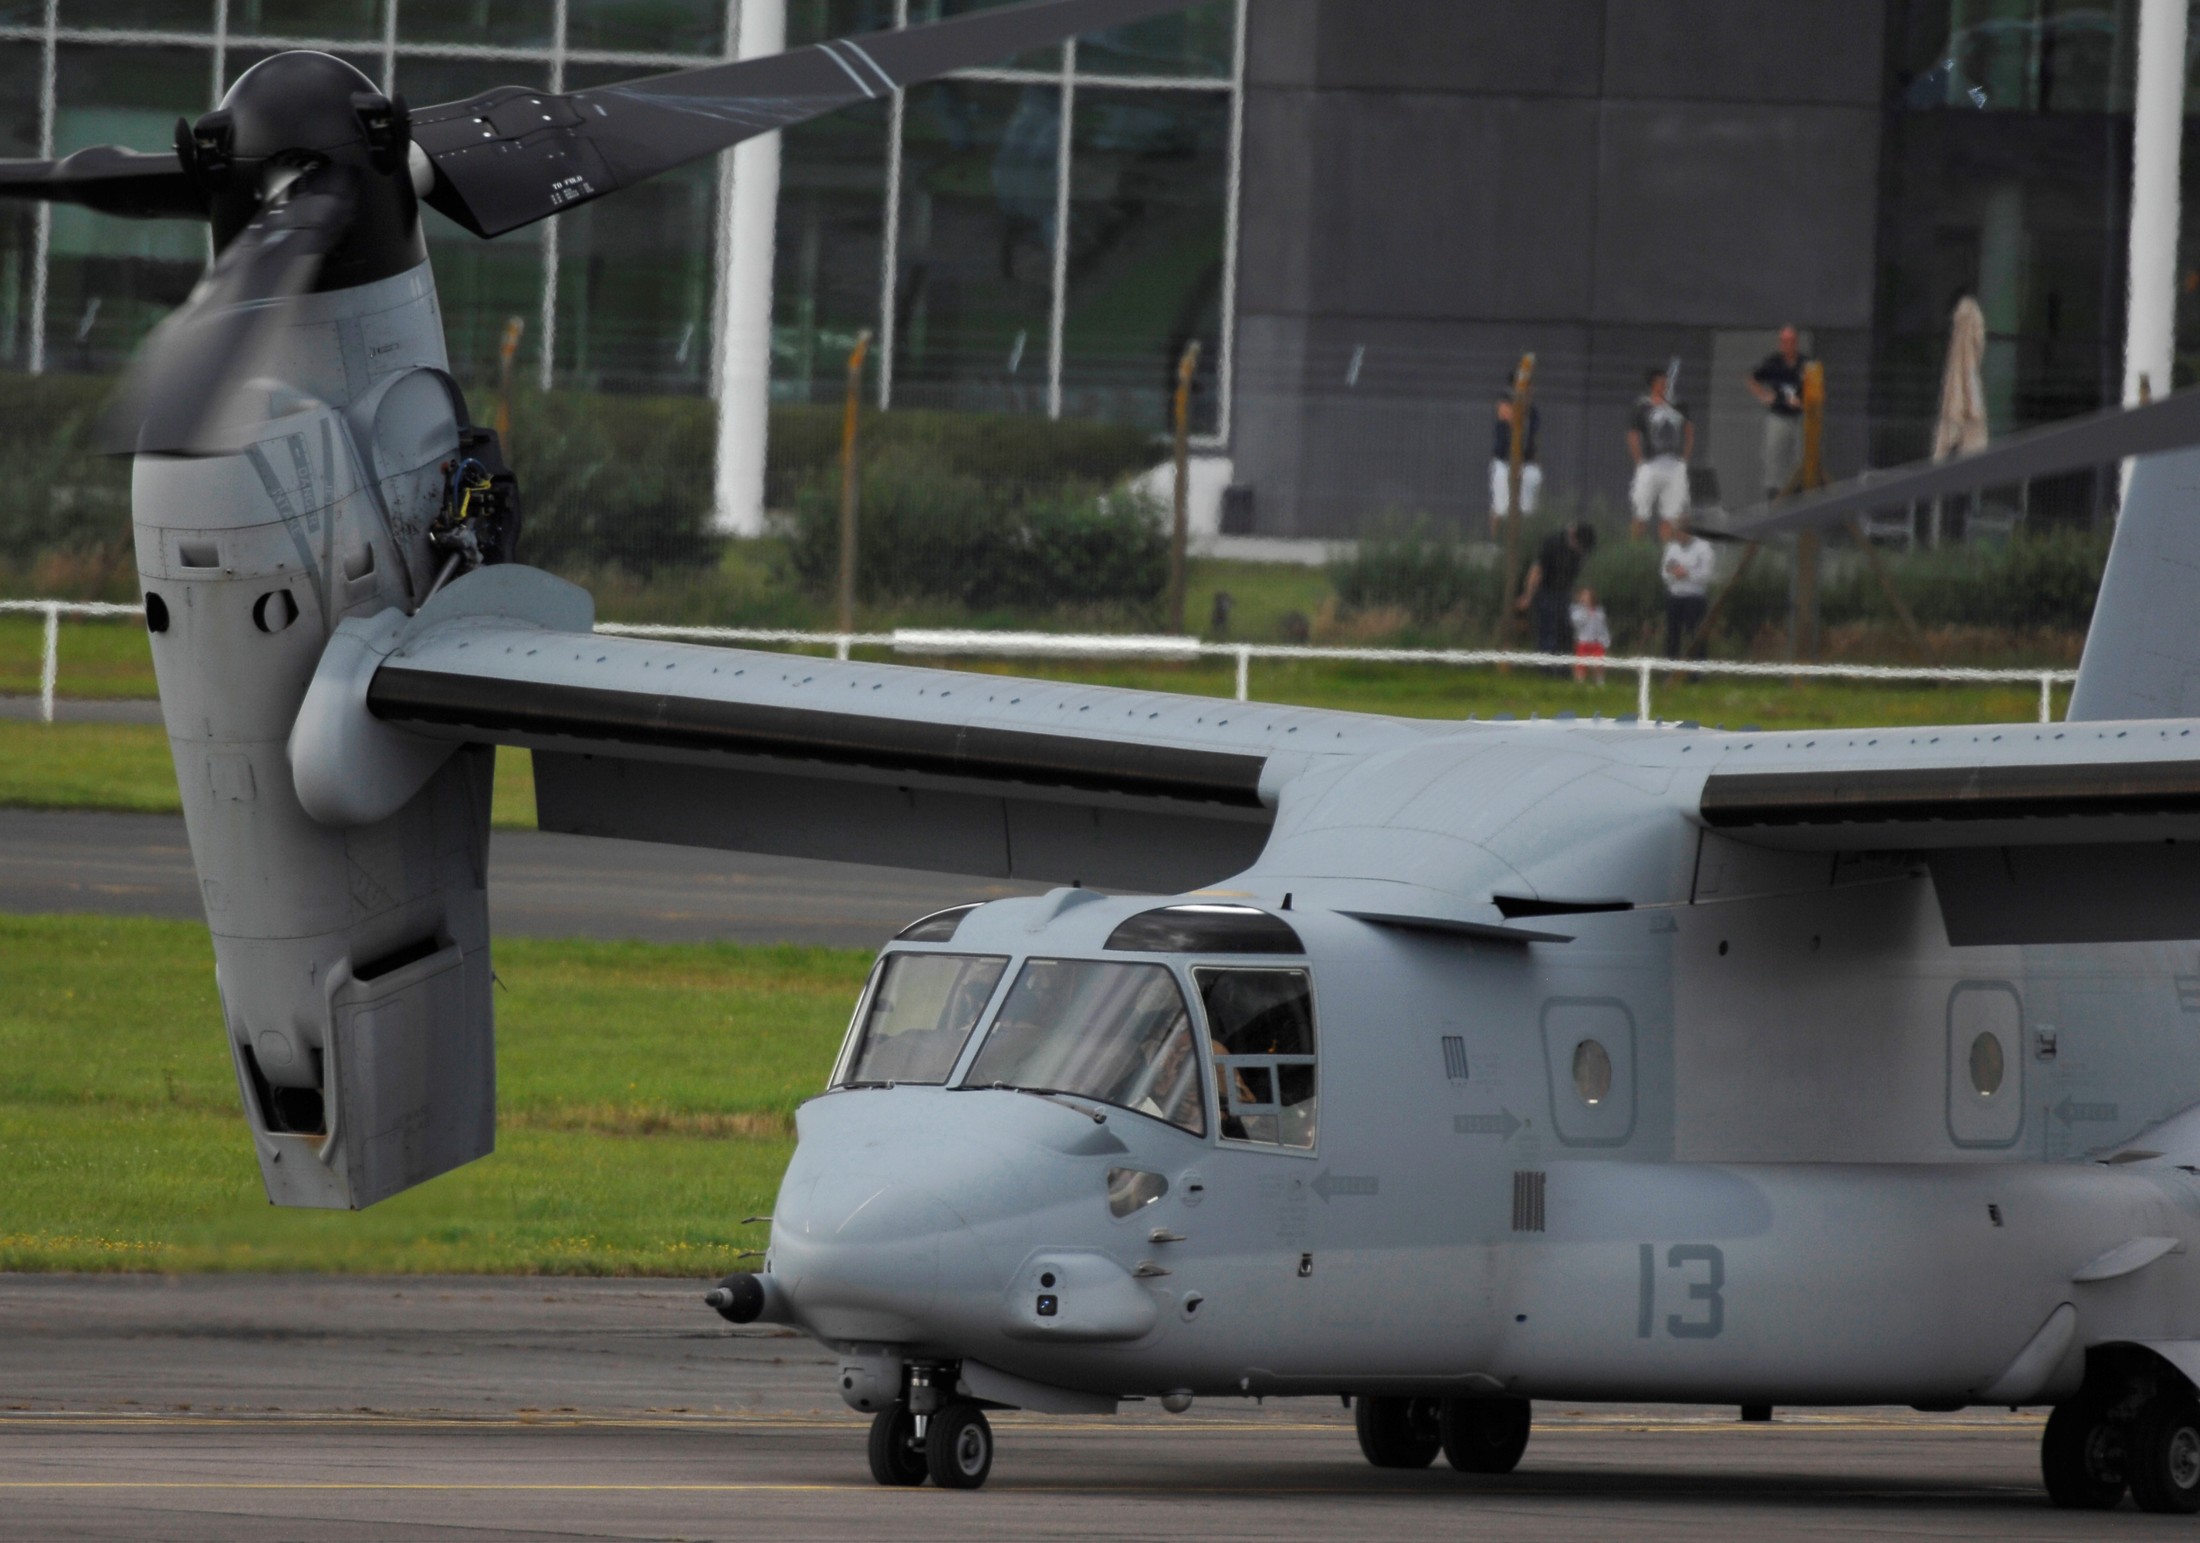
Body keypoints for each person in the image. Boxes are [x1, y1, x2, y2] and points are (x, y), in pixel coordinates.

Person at [1627, 368, 1694, 539]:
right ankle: (1636, 552)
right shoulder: (1642, 406)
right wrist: (1640, 461)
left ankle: (1668, 553)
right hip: (1650, 464)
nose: (1664, 385)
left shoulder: (1679, 405)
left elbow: (1689, 432)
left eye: (1665, 382)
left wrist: (1684, 460)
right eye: (1660, 382)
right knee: (1641, 513)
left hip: (1674, 465)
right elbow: (1633, 435)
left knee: (1672, 515)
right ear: (1653, 384)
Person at [1515, 520, 1597, 658]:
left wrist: (1582, 599)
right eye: (1580, 547)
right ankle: (1546, 669)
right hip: (1546, 593)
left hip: (1564, 595)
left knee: (1564, 632)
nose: (1580, 551)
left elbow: (1572, 578)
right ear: (1574, 537)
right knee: (1548, 633)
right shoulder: (1553, 543)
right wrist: (1528, 596)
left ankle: (1563, 670)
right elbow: (1537, 571)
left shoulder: (1579, 553)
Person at [1749, 325, 1811, 500]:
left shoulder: (1806, 363)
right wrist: (1763, 395)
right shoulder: (1773, 362)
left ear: (1796, 343)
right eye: (1784, 341)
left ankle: (1800, 495)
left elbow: (1816, 388)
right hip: (1778, 415)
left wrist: (1804, 401)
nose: (1787, 345)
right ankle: (1774, 497)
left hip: (1799, 417)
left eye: (1791, 341)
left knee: (1801, 457)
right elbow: (1753, 378)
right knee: (1774, 456)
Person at [1488, 388, 1543, 536]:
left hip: (1526, 463)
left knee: (1528, 509)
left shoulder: (1532, 413)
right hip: (1505, 461)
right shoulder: (1505, 407)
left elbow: (1532, 437)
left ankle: (1524, 540)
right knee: (1500, 507)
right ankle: (1496, 540)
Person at [1660, 514, 1715, 659]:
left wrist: (1687, 574)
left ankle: (1696, 673)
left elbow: (1707, 574)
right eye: (1677, 532)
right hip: (1674, 597)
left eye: (1682, 532)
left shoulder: (1704, 548)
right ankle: (1670, 670)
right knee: (1672, 635)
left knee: (1695, 635)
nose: (1679, 535)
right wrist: (1674, 575)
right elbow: (1664, 573)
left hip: (1695, 598)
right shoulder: (1671, 548)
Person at [1569, 586, 1610, 684]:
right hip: (1583, 642)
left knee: (1598, 664)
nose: (1585, 598)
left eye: (1587, 596)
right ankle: (1579, 684)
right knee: (1581, 664)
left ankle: (1600, 684)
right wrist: (1586, 612)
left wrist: (1605, 640)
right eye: (1583, 596)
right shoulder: (1576, 610)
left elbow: (1603, 627)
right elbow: (1576, 623)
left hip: (1597, 642)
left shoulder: (1599, 612)